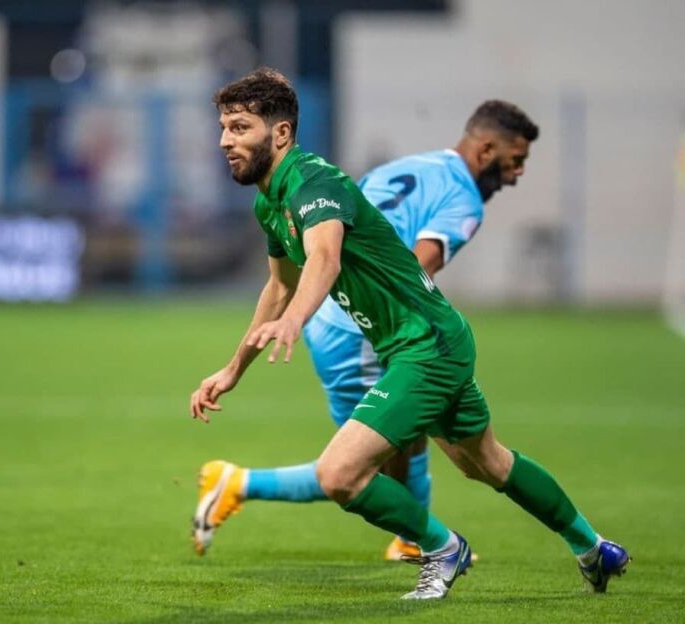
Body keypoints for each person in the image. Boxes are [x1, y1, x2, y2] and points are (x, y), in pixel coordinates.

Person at [189, 67, 629, 599]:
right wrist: (232, 369)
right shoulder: (269, 202)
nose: (225, 141)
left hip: (426, 348)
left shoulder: (314, 184)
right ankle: (593, 547)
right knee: (488, 463)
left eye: (240, 128)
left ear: (280, 133)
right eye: (224, 128)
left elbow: (324, 258)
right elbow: (279, 287)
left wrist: (296, 320)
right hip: (424, 342)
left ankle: (442, 548)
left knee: (340, 474)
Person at [192, 99, 537, 562]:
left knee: (395, 443)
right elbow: (411, 276)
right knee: (360, 460)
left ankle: (416, 541)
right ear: (487, 149)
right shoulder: (463, 198)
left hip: (327, 311)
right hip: (360, 323)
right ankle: (242, 483)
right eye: (515, 160)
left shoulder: (414, 166)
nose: (517, 173)